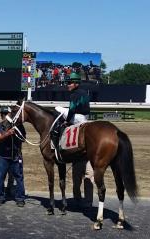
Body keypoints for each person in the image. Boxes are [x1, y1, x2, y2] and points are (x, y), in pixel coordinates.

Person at [55, 72, 93, 208]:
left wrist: (66, 121)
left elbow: (71, 110)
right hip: (85, 118)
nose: (68, 85)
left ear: (76, 84)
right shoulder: (85, 93)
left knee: (57, 108)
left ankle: (56, 140)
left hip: (77, 118)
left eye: (70, 83)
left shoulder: (74, 94)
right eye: (68, 83)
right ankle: (88, 201)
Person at [0, 106, 26, 207]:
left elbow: (24, 138)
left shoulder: (19, 126)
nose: (4, 116)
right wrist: (8, 133)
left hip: (16, 156)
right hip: (3, 157)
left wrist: (16, 132)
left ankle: (20, 198)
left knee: (19, 178)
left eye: (6, 114)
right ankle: (0, 197)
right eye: (3, 114)